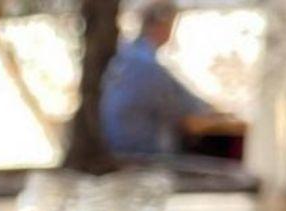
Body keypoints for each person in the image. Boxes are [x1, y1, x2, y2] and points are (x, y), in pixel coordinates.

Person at [100, 0, 235, 156]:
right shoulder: (146, 65)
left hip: (118, 149)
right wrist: (213, 113)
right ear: (164, 26)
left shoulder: (125, 56)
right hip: (141, 154)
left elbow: (184, 98)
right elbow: (185, 109)